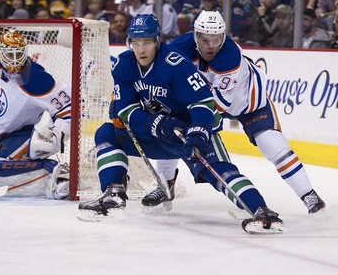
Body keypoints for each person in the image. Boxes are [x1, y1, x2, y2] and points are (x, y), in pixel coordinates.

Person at [78, 13, 284, 234]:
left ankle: (263, 211)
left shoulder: (175, 63)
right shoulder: (124, 65)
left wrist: (198, 130)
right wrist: (151, 121)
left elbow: (203, 103)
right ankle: (114, 193)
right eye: (135, 43)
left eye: (146, 42)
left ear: (157, 41)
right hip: (157, 135)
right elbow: (127, 109)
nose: (141, 50)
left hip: (188, 134)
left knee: (221, 174)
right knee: (107, 133)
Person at [143, 10, 326, 215]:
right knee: (171, 128)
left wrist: (194, 127)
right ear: (195, 35)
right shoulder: (177, 50)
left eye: (217, 39)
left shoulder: (229, 56)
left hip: (249, 104)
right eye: (205, 39)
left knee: (273, 146)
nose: (211, 46)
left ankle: (309, 195)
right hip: (207, 101)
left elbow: (217, 106)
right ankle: (165, 185)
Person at [0, 30, 71, 199]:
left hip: (21, 135)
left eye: (18, 54)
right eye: (9, 55)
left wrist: (58, 134)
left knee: (2, 170)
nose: (14, 61)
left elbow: (71, 107)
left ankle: (59, 173)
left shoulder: (37, 80)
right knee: (0, 166)